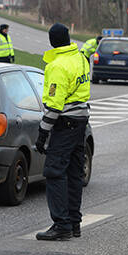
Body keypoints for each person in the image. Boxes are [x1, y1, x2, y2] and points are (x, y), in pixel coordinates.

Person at [35, 23, 91, 241]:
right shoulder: (80, 58)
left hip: (65, 123)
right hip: (81, 121)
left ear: (51, 41)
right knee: (74, 173)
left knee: (54, 171)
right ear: (68, 39)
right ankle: (74, 223)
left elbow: (55, 105)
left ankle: (61, 225)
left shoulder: (57, 66)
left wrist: (42, 132)